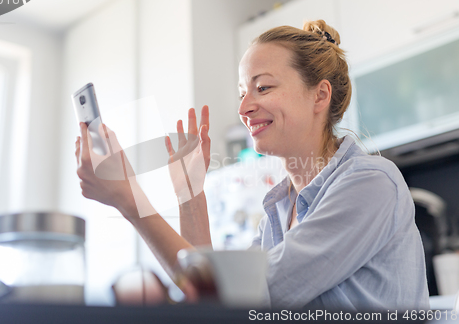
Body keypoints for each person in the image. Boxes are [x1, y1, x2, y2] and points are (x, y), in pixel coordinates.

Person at [75, 20, 429, 310]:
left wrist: (129, 200)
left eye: (262, 88)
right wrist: (190, 193)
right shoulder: (279, 211)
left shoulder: (371, 184)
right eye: (242, 92)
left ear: (320, 95)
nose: (244, 108)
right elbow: (214, 301)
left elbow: (243, 297)